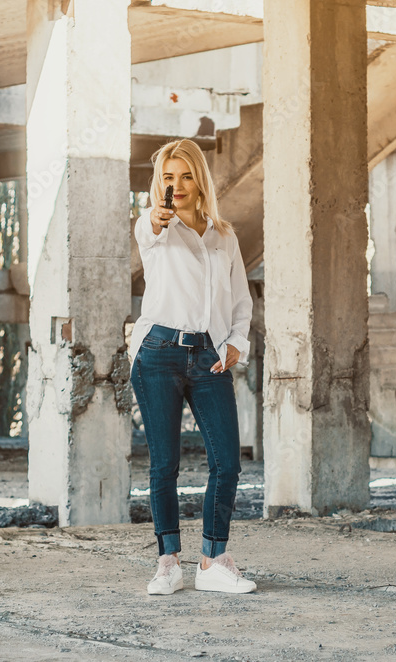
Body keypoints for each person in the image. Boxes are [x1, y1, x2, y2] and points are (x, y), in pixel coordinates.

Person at [128, 139, 256, 595]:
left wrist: (237, 342)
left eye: (185, 176)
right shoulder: (155, 227)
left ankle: (213, 561)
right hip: (158, 352)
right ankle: (168, 563)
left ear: (199, 179)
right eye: (168, 177)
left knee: (227, 462)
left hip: (210, 357)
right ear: (158, 183)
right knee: (164, 465)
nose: (176, 186)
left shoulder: (223, 235)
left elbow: (241, 299)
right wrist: (154, 215)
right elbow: (148, 228)